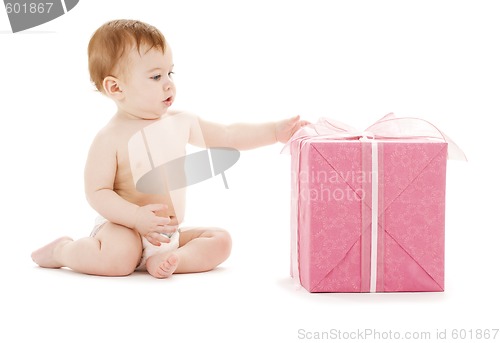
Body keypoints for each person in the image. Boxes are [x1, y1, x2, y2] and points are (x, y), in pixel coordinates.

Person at [31, 19, 308, 279]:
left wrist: (273, 132)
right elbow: (97, 192)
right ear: (116, 87)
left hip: (167, 234)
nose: (168, 83)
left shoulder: (181, 122)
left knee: (220, 240)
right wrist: (136, 218)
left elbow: (227, 134)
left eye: (169, 72)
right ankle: (63, 250)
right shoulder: (110, 137)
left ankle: (173, 261)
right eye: (155, 77)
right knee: (120, 257)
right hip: (122, 229)